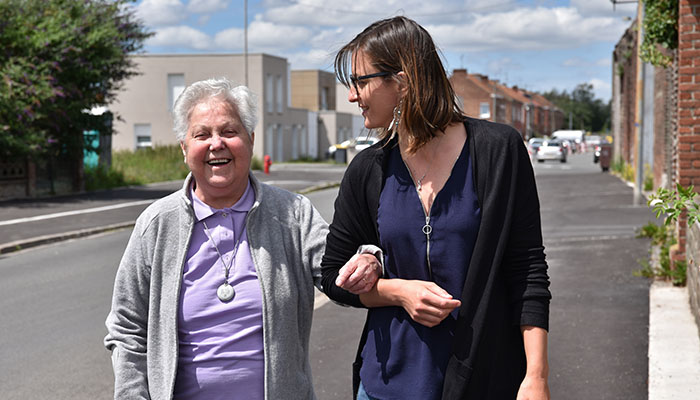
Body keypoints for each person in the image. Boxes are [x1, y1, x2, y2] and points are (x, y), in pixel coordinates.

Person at [320, 16, 552, 400]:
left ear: (404, 80)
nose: (351, 95)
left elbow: (527, 267)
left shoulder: (498, 151)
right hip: (387, 386)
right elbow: (332, 277)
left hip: (485, 379)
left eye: (361, 81)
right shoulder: (368, 169)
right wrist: (397, 291)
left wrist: (537, 376)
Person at [104, 77, 335, 399]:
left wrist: (368, 256)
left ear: (251, 140)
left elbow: (339, 275)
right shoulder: (156, 224)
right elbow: (127, 328)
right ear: (184, 148)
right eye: (202, 134)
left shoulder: (293, 214)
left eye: (229, 131)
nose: (216, 144)